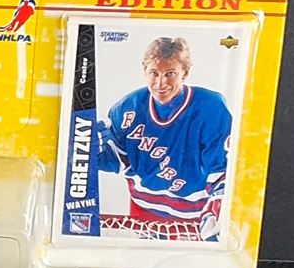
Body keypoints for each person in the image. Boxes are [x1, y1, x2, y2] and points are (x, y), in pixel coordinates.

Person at [99, 34, 232, 235]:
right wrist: (89, 147)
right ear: (144, 71)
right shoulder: (127, 108)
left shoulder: (210, 108)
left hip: (196, 216)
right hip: (143, 211)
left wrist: (218, 204)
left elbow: (221, 167)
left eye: (170, 73)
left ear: (185, 73)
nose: (161, 83)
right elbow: (117, 159)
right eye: (154, 73)